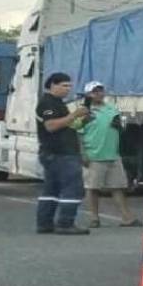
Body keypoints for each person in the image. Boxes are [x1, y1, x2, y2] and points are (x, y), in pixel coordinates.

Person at [74, 82, 141, 229]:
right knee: (92, 188)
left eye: (100, 91)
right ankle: (94, 217)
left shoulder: (112, 109)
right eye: (94, 92)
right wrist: (82, 153)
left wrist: (119, 126)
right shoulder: (85, 111)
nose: (98, 94)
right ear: (88, 95)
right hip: (94, 154)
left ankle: (126, 217)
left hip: (112, 154)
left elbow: (119, 127)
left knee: (117, 187)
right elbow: (77, 133)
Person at [35, 73, 90, 235]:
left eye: (69, 86)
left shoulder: (58, 103)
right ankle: (65, 223)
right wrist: (74, 115)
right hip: (60, 153)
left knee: (51, 189)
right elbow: (51, 126)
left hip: (56, 153)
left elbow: (67, 126)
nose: (68, 89)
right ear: (52, 85)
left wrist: (83, 120)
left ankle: (44, 223)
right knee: (73, 188)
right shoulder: (47, 103)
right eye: (64, 86)